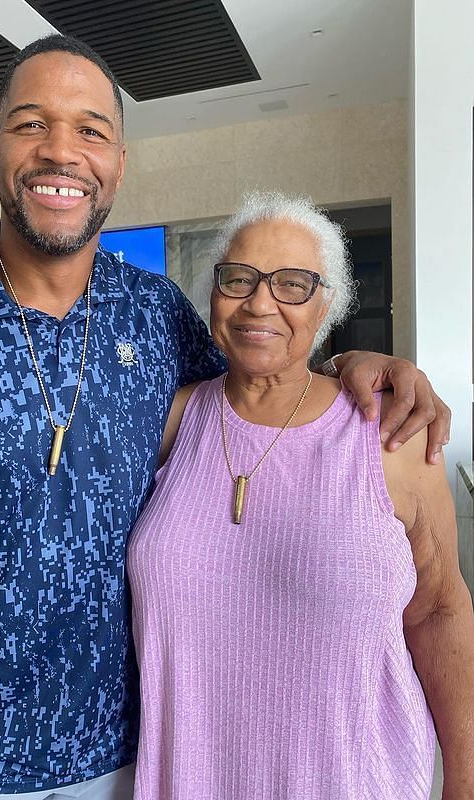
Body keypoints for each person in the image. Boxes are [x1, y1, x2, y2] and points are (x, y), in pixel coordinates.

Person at [0, 35, 450, 800]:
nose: (61, 151)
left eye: (91, 129)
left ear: (119, 162)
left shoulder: (155, 314)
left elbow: (258, 383)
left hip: (127, 760)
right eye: (31, 124)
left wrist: (353, 366)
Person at [127, 191, 474, 800]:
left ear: (327, 306)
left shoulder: (389, 438)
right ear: (213, 295)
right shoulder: (170, 425)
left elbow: (441, 612)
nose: (260, 302)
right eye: (238, 279)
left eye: (294, 284)